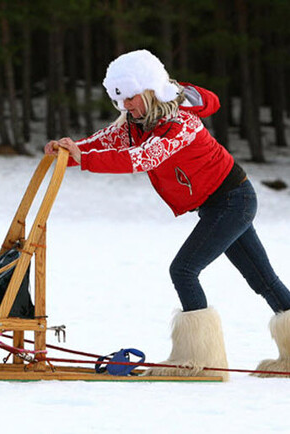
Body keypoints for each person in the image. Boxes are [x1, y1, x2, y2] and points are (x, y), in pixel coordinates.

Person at [45, 49, 290, 380]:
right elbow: (101, 142)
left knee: (185, 269)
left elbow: (143, 158)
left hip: (234, 199)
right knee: (262, 279)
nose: (125, 106)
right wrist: (68, 151)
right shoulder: (136, 123)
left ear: (148, 90)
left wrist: (83, 159)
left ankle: (200, 360)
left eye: (131, 97)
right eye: (120, 100)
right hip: (221, 204)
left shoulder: (181, 122)